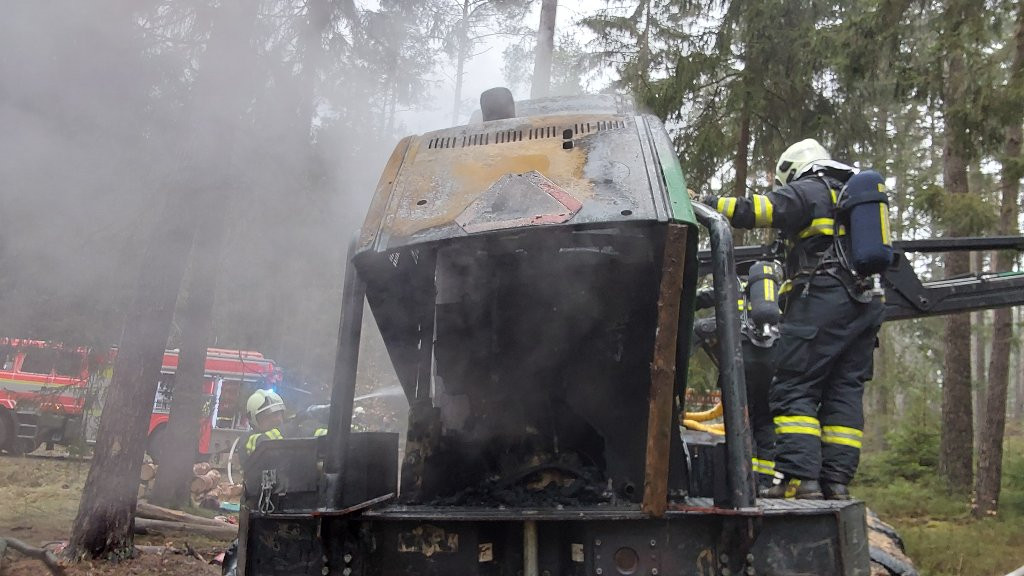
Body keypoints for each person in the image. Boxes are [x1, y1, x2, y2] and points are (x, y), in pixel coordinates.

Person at [702, 139, 885, 500]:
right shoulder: (848, 198)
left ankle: (800, 479)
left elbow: (756, 210)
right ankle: (836, 481)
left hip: (824, 298)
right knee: (842, 391)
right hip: (866, 305)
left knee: (792, 385)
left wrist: (707, 204)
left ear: (792, 170)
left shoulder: (809, 190)